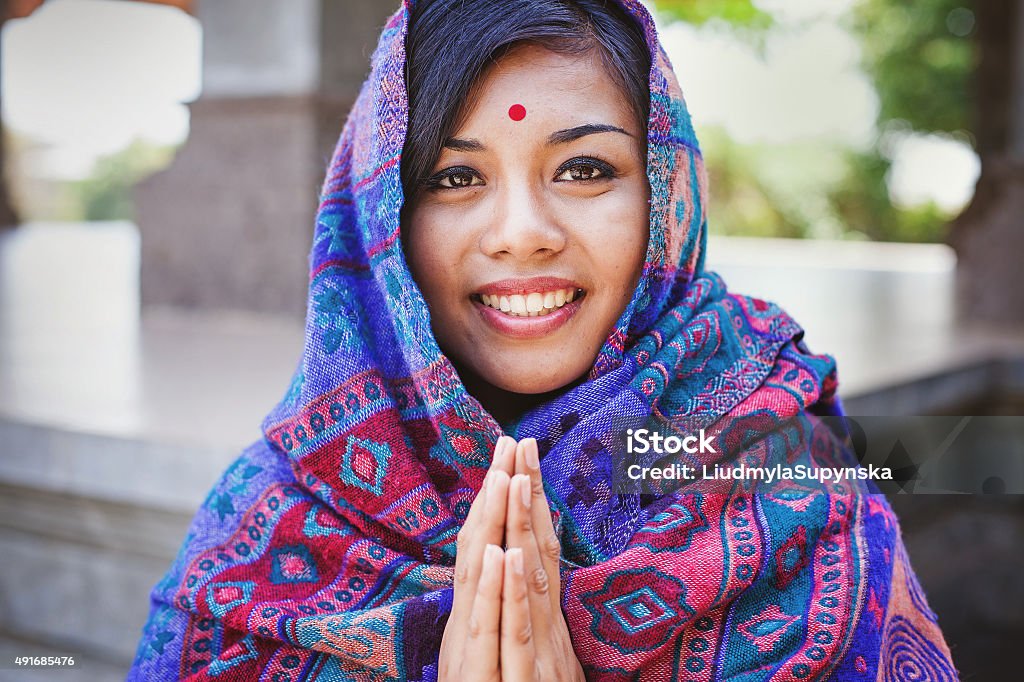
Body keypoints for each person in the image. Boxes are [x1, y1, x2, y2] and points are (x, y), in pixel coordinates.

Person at [129, 0, 957, 680]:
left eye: (584, 169)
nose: (523, 234)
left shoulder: (788, 479)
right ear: (381, 219)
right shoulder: (276, 524)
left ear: (666, 190)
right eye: (455, 178)